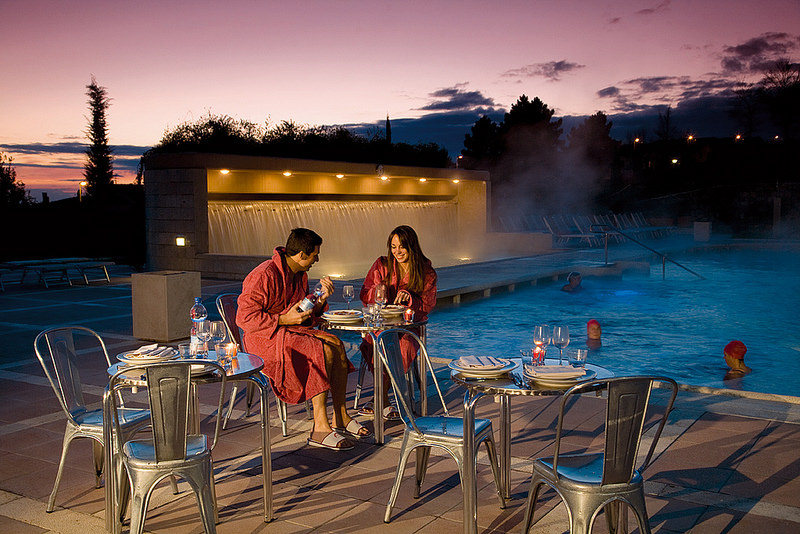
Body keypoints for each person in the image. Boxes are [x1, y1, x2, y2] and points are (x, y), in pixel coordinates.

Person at [237, 228, 371, 451]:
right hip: (264, 339)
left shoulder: (299, 274)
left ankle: (341, 416)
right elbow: (244, 318)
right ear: (301, 254)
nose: (316, 260)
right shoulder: (264, 275)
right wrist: (281, 319)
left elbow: (301, 311)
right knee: (319, 349)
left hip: (290, 332)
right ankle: (320, 428)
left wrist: (319, 300)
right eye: (314, 255)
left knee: (336, 345)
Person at [358, 225, 437, 420]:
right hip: (382, 324)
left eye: (402, 247)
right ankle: (384, 399)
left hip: (409, 327)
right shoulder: (382, 265)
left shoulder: (426, 272)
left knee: (402, 346)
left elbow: (427, 305)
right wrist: (379, 290)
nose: (397, 252)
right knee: (376, 341)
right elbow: (365, 293)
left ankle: (380, 398)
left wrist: (410, 298)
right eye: (393, 247)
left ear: (412, 246)